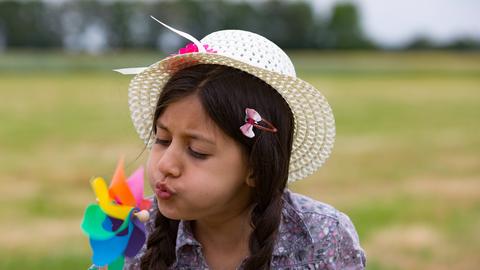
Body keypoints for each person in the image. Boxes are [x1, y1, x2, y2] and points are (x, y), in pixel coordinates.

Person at [117, 18, 366, 270]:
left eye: (197, 151)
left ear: (256, 167)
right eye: (162, 139)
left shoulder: (322, 237)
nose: (166, 164)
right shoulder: (135, 233)